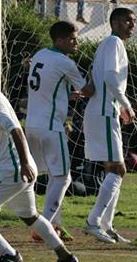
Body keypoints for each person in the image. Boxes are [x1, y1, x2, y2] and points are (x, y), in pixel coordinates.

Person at [0, 58, 79, 262]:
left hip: (11, 171)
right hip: (19, 170)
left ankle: (9, 254)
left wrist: (24, 163)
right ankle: (65, 256)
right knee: (29, 216)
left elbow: (15, 129)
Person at [25, 20, 94, 243]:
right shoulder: (65, 62)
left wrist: (67, 95)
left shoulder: (41, 54)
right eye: (73, 39)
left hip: (32, 124)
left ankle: (56, 225)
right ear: (60, 41)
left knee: (51, 177)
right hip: (51, 126)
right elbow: (87, 90)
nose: (77, 42)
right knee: (63, 177)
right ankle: (43, 226)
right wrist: (99, 72)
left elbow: (50, 86)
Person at [82, 7, 136, 244]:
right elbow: (111, 77)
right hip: (105, 111)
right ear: (114, 23)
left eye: (133, 22)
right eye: (127, 21)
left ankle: (106, 224)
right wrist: (126, 104)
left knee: (112, 169)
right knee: (118, 169)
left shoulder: (107, 44)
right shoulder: (114, 42)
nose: (132, 26)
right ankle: (93, 222)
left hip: (101, 112)